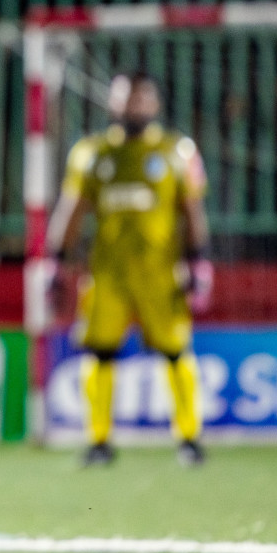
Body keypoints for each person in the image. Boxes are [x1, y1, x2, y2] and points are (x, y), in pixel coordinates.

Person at [43, 73, 212, 467]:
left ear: (154, 104)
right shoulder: (91, 152)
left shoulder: (178, 152)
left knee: (175, 351)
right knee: (99, 352)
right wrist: (56, 262)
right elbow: (72, 210)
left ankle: (189, 438)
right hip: (107, 273)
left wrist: (198, 260)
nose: (132, 107)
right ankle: (99, 440)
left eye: (140, 99)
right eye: (125, 99)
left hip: (161, 272)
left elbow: (192, 211)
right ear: (112, 104)